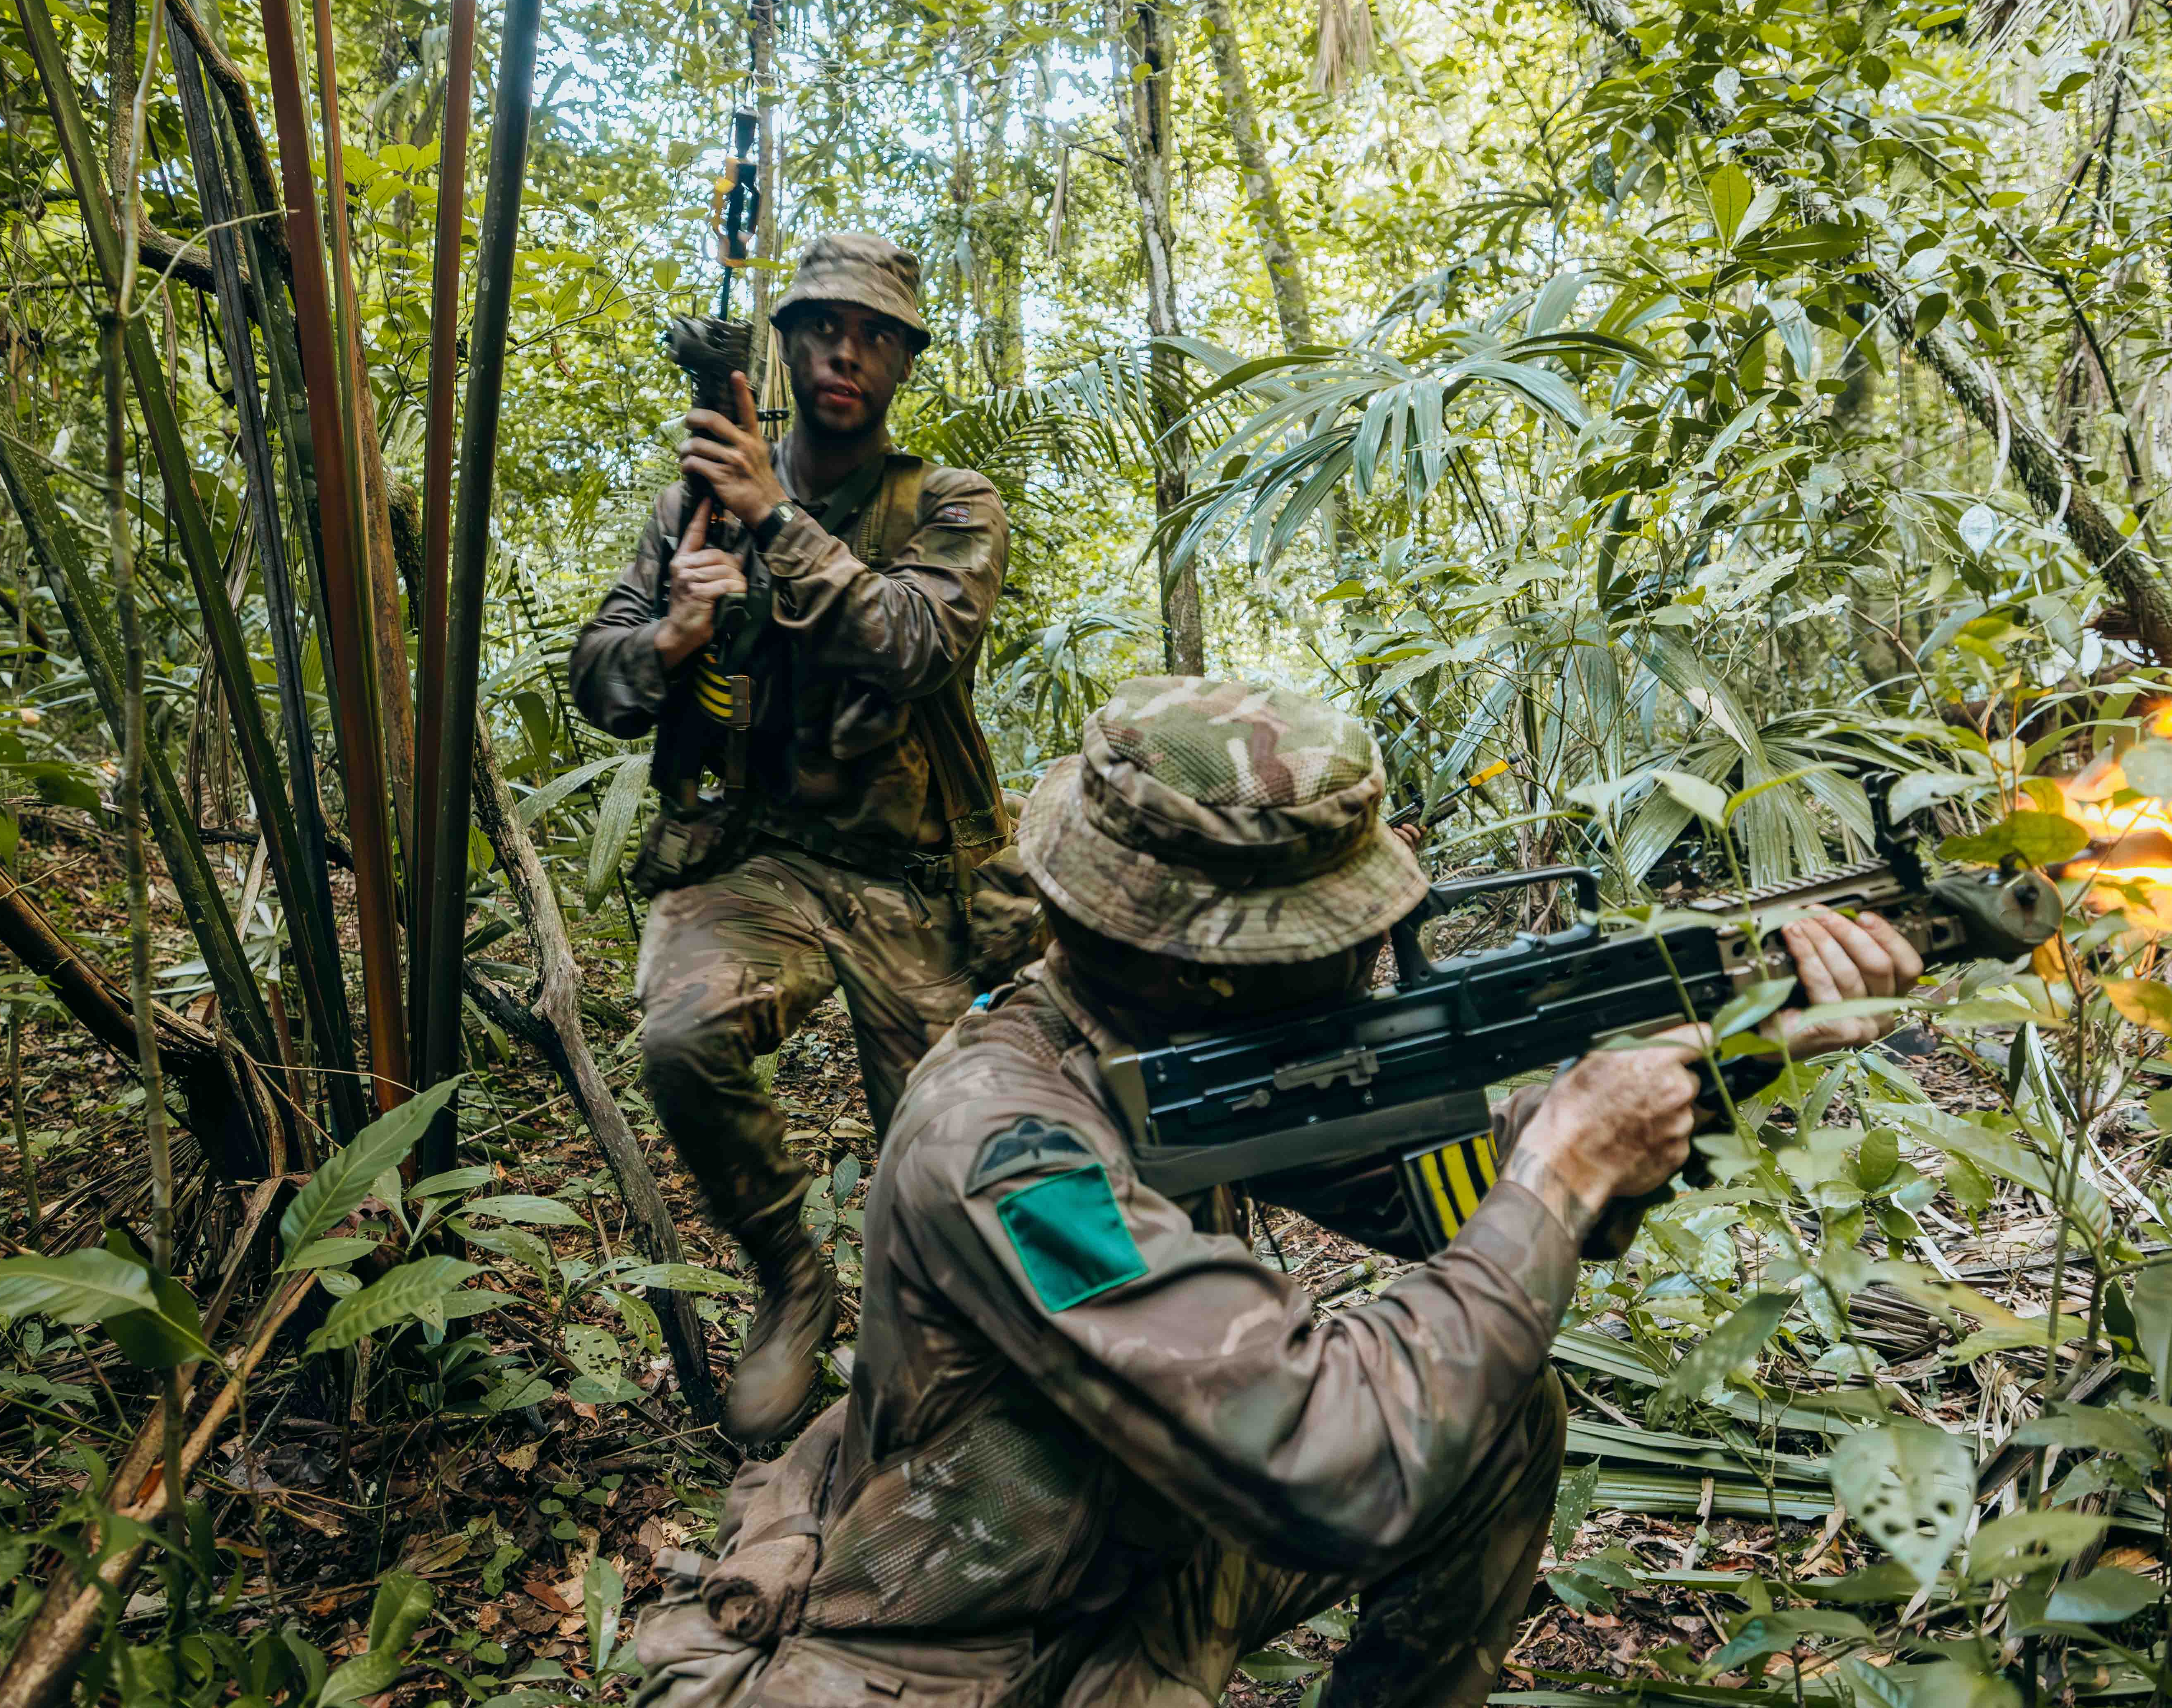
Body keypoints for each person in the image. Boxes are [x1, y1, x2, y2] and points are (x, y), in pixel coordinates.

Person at [633, 677, 1926, 1708]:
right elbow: (1327, 1460)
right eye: (1322, 943)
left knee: (1498, 1408)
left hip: (1144, 1537)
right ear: (1208, 965)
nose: (1360, 964)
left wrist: (1730, 1056)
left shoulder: (1187, 1052)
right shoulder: (1005, 1146)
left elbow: (1452, 1207)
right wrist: (1565, 1162)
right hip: (980, 1646)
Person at [571, 233, 1030, 1445]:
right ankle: (791, 1276)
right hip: (757, 861)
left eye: (876, 334)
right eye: (824, 326)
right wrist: (671, 636)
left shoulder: (949, 506)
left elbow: (917, 646)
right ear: (783, 347)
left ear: (905, 363)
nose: (846, 350)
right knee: (680, 1036)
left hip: (910, 882)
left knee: (950, 1149)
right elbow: (600, 680)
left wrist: (778, 523)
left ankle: (933, 1346)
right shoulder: (690, 507)